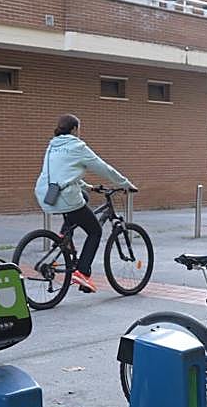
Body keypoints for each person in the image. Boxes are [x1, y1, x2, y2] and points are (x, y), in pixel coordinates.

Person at [34, 114, 136, 293]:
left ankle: (64, 236)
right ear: (74, 129)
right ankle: (82, 272)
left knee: (83, 197)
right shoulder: (77, 147)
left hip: (46, 194)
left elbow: (63, 174)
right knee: (95, 231)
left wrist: (88, 187)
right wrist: (125, 184)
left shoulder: (53, 146)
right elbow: (103, 168)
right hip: (65, 197)